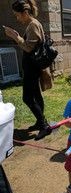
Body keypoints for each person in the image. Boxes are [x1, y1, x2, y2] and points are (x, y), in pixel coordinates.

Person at [4, 0, 51, 140]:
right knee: (36, 95)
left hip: (32, 68)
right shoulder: (33, 24)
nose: (17, 18)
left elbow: (28, 47)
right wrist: (18, 36)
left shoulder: (33, 25)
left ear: (25, 12)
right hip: (33, 67)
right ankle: (40, 122)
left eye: (17, 15)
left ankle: (44, 126)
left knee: (27, 98)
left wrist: (15, 37)